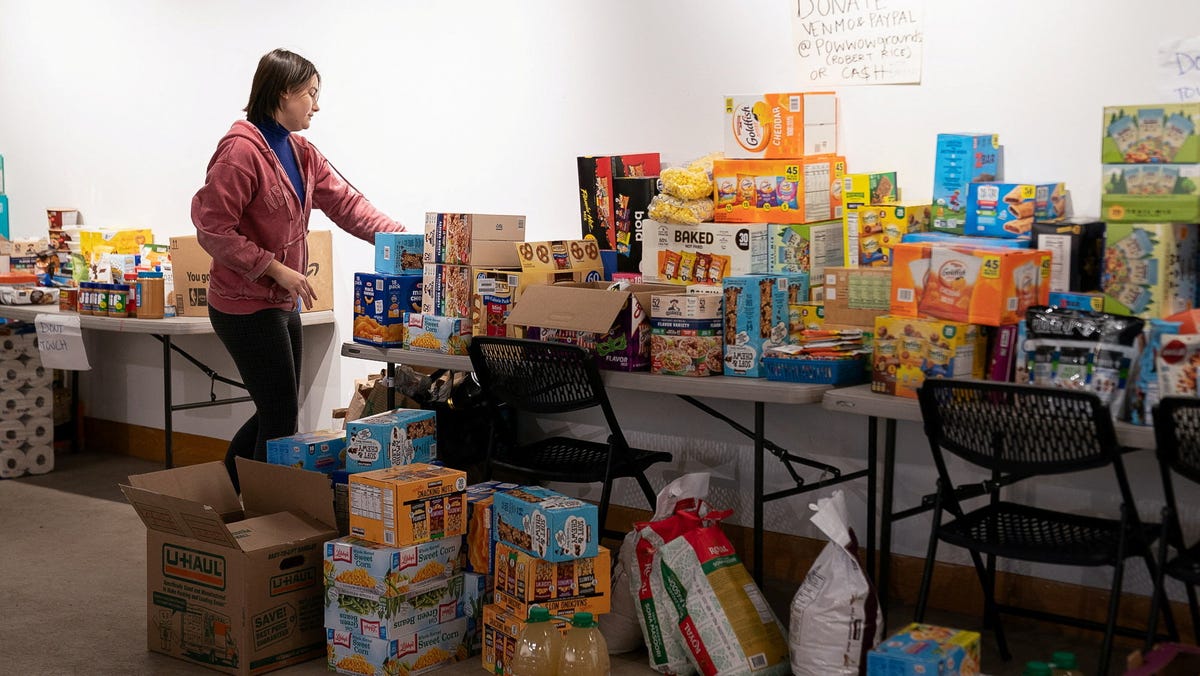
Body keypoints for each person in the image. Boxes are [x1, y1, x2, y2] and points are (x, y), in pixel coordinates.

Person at [192, 48, 403, 490]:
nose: (317, 105)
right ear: (284, 92)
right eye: (311, 93)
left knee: (278, 410)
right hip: (242, 304)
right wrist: (272, 267)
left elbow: (349, 205)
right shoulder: (240, 152)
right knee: (281, 414)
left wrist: (405, 242)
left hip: (280, 300)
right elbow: (212, 229)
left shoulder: (301, 152)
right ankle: (260, 515)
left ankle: (223, 497)